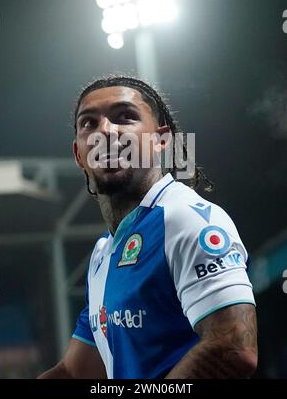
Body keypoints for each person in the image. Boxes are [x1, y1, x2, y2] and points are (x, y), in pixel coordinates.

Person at [39, 76, 257, 379]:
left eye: (124, 117)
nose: (105, 131)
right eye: (89, 123)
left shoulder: (186, 219)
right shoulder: (104, 252)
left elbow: (233, 348)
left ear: (161, 140)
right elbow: (76, 372)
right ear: (78, 154)